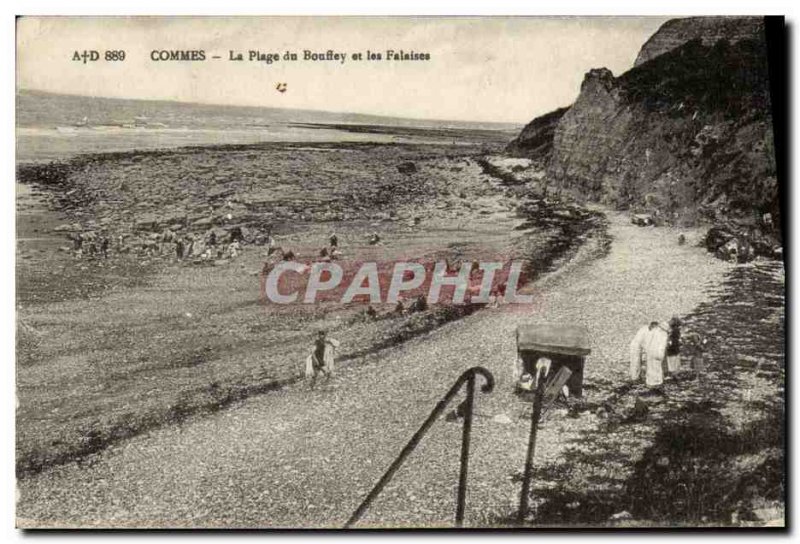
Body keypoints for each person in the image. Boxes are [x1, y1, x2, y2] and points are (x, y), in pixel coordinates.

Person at [629, 321, 669, 389]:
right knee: (636, 361)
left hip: (642, 344)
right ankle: (635, 378)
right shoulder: (648, 332)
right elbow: (649, 349)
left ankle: (647, 378)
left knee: (651, 361)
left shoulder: (658, 333)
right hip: (636, 345)